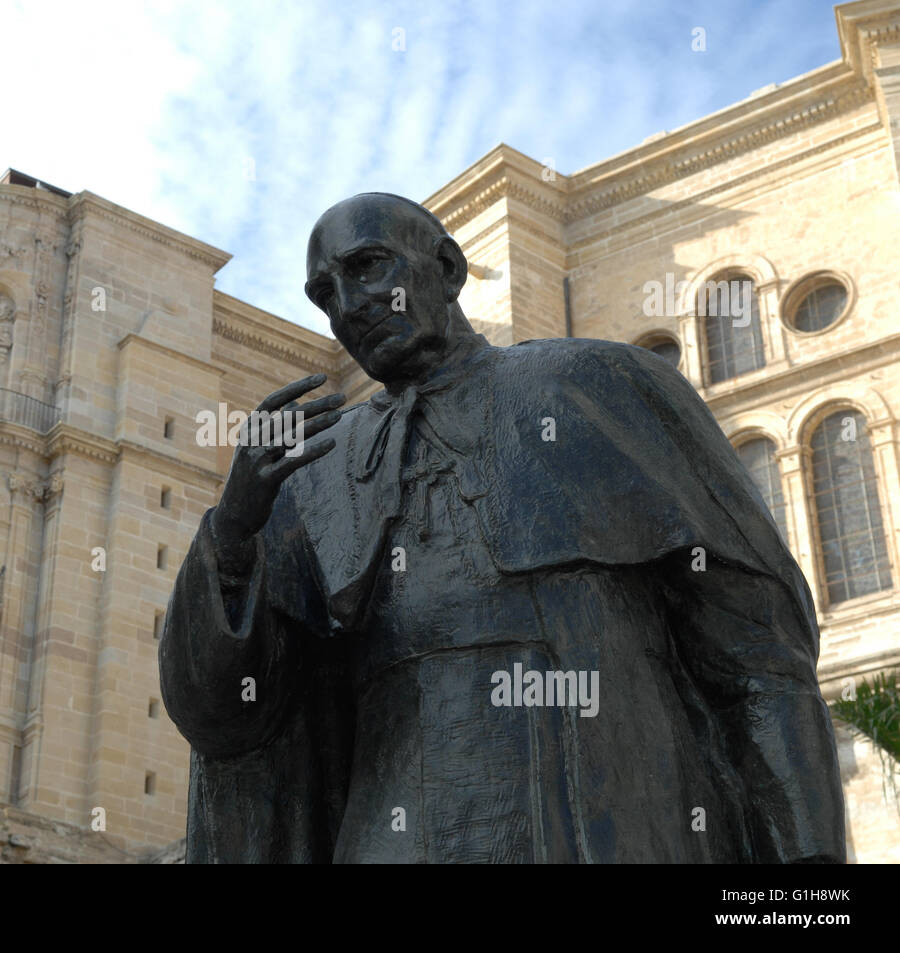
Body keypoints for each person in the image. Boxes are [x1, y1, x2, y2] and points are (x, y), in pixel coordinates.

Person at [159, 192, 845, 863]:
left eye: (367, 267)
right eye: (325, 293)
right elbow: (226, 721)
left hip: (603, 819)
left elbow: (758, 656)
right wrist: (232, 534)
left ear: (450, 268)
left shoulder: (599, 385)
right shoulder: (311, 475)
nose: (349, 303)